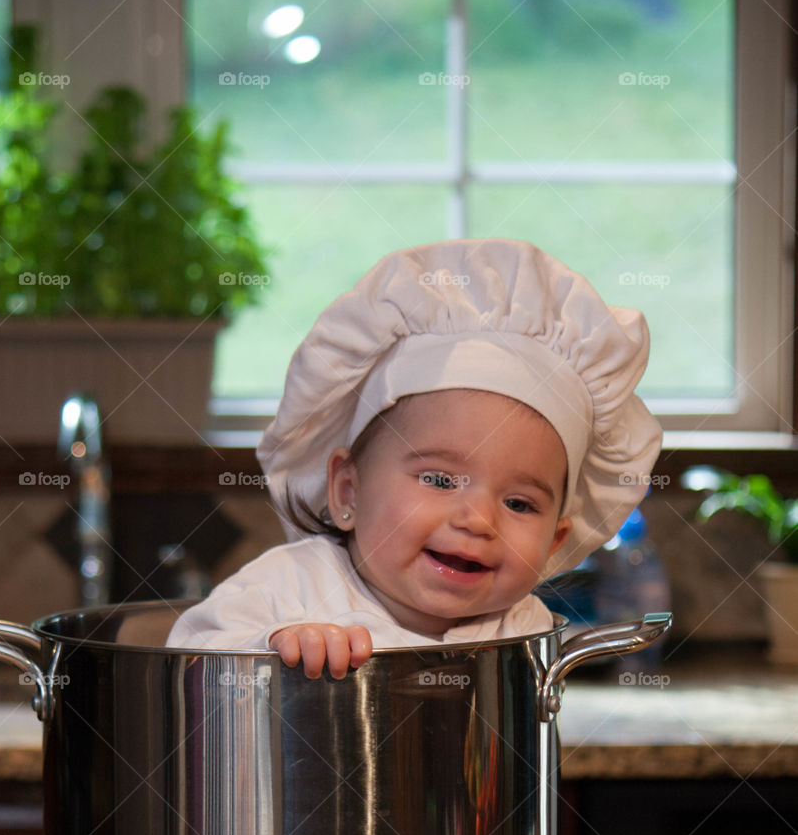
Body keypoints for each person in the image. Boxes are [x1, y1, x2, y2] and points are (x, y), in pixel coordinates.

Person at [167, 239, 662, 676]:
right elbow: (188, 662)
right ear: (348, 490)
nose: (479, 520)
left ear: (555, 541)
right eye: (440, 480)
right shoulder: (287, 587)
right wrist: (269, 648)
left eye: (519, 504)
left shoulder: (523, 628)